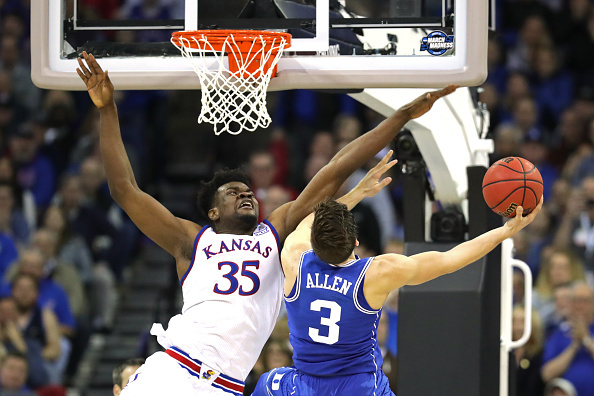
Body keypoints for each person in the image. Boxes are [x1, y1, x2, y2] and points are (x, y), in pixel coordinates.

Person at [76, 50, 457, 396]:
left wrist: (402, 116)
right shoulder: (190, 240)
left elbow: (334, 170)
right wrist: (107, 109)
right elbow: (125, 190)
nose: (246, 195)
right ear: (212, 212)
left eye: (248, 190)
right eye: (233, 192)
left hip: (225, 387)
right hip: (173, 371)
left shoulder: (276, 232)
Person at [252, 157, 542, 395]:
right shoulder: (376, 273)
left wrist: (356, 193)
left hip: (305, 385)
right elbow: (450, 260)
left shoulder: (294, 258)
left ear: (314, 242)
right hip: (358, 387)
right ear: (356, 242)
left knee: (266, 383)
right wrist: (506, 231)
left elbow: (307, 220)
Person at [541, 281, 594, 396]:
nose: (580, 305)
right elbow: (547, 374)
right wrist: (575, 345)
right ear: (570, 304)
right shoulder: (559, 334)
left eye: (585, 301)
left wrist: (586, 339)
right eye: (575, 300)